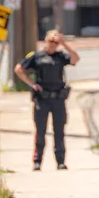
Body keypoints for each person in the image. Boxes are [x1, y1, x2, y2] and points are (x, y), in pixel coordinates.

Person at [14, 30, 80, 171]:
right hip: (42, 99)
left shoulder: (61, 56)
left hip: (58, 98)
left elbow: (75, 59)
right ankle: (37, 161)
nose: (53, 45)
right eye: (51, 41)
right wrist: (31, 84)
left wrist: (64, 44)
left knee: (59, 131)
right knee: (40, 131)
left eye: (56, 42)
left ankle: (60, 161)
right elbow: (19, 69)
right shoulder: (36, 56)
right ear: (45, 41)